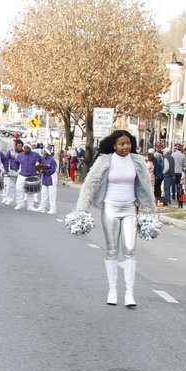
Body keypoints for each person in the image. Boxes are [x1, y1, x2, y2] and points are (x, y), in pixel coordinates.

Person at [74, 129, 155, 308]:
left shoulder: (137, 161)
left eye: (128, 143)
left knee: (130, 249)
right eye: (122, 144)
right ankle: (112, 290)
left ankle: (129, 293)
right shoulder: (104, 161)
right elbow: (90, 185)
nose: (126, 147)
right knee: (112, 250)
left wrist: (150, 211)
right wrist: (82, 209)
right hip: (110, 207)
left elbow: (147, 187)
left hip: (130, 208)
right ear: (114, 146)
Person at [13, 142, 43, 211]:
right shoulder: (20, 155)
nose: (25, 149)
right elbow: (15, 162)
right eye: (25, 148)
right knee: (18, 189)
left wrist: (40, 169)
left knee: (30, 191)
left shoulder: (36, 155)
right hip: (22, 175)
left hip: (32, 175)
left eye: (27, 148)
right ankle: (20, 203)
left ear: (30, 148)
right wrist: (16, 169)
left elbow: (42, 161)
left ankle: (30, 206)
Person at [38, 146, 58, 214]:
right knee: (43, 193)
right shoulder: (43, 159)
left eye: (45, 151)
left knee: (52, 194)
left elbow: (52, 170)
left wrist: (45, 171)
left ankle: (53, 209)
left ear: (48, 152)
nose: (43, 152)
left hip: (51, 179)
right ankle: (42, 207)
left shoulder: (52, 160)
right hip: (45, 179)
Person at [2, 139, 22, 206]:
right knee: (9, 186)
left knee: (19, 187)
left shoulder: (23, 153)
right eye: (19, 146)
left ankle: (18, 201)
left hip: (20, 172)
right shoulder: (10, 152)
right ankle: (9, 199)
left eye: (21, 146)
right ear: (15, 146)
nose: (20, 148)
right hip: (11, 171)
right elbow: (5, 160)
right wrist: (6, 169)